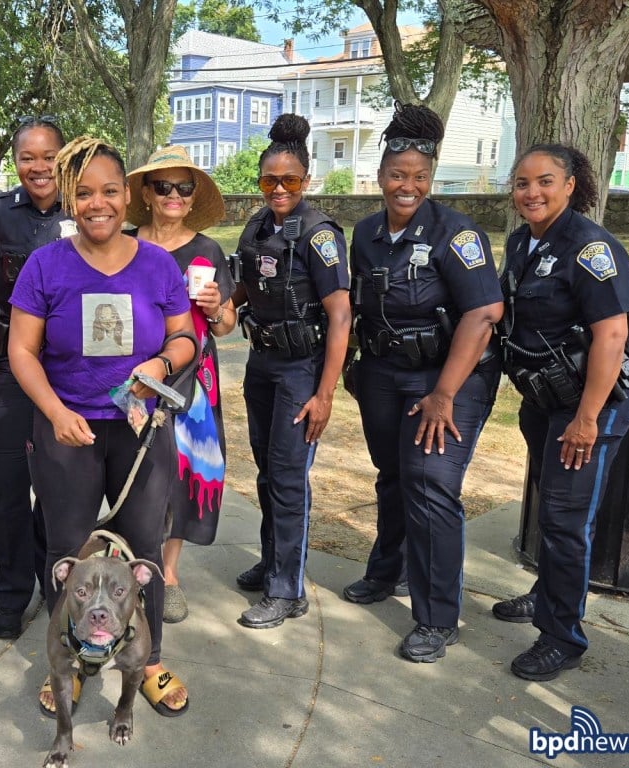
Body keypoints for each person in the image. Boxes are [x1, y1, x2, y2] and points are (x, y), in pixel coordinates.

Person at [8, 136, 195, 717]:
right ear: (69, 199)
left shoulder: (158, 264)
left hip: (140, 431)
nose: (98, 204)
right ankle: (70, 660)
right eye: (84, 193)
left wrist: (162, 363)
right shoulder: (46, 265)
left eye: (110, 191)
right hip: (69, 432)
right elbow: (21, 349)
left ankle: (149, 656)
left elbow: (186, 337)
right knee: (68, 551)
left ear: (127, 197)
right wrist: (56, 413)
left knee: (142, 552)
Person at [341, 103, 503, 663]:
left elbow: (483, 315)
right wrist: (353, 362)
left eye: (418, 178)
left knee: (431, 488)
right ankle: (388, 572)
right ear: (380, 177)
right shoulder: (364, 233)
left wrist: (444, 395)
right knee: (393, 476)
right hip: (384, 373)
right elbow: (358, 303)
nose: (406, 186)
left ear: (430, 182)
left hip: (449, 380)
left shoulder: (457, 234)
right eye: (396, 175)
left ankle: (436, 617)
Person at [493, 144, 629, 681]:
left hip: (590, 404)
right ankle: (546, 593)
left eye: (545, 181)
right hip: (544, 398)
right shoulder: (522, 242)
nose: (532, 192)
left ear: (571, 184)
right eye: (523, 183)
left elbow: (612, 335)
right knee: (547, 502)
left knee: (565, 520)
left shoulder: (590, 248)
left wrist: (587, 419)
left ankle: (563, 636)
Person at [231, 114, 351, 630]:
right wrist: (221, 307)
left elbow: (341, 315)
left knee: (287, 476)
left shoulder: (321, 235)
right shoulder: (257, 226)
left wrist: (325, 395)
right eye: (269, 181)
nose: (278, 189)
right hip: (262, 363)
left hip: (301, 370)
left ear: (307, 180)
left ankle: (288, 589)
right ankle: (273, 561)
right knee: (266, 472)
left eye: (290, 181)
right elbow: (244, 285)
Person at [125, 145, 236, 623]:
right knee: (131, 471)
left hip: (192, 379)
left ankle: (167, 574)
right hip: (136, 373)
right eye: (163, 186)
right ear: (146, 194)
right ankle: (129, 563)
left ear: (193, 199)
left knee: (181, 476)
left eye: (183, 188)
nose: (173, 195)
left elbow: (228, 323)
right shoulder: (126, 243)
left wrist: (215, 308)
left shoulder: (208, 251)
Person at [0, 115, 72, 639]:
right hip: (9, 370)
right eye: (26, 158)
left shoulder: (83, 209)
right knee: (9, 490)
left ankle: (50, 580)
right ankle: (12, 595)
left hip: (66, 372)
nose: (37, 168)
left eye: (47, 157)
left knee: (59, 490)